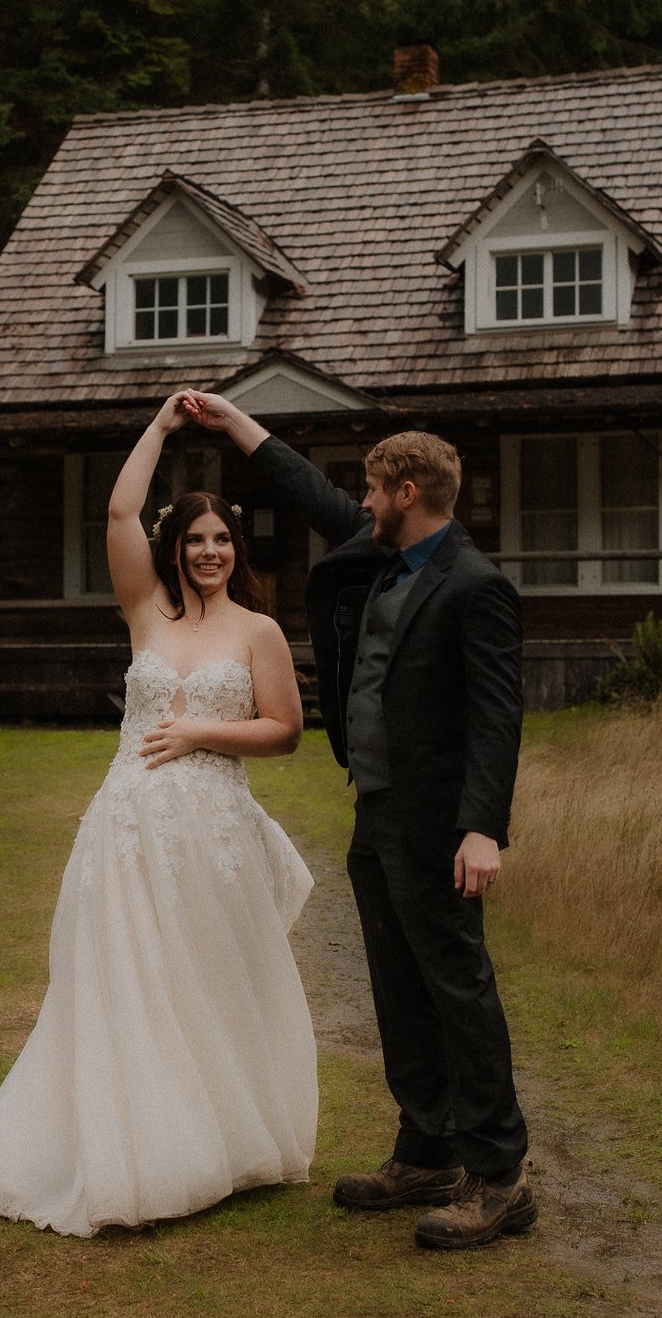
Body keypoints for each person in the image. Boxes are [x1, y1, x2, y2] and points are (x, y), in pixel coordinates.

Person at [0, 393, 318, 1236]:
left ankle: (222, 1136)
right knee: (124, 982)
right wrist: (165, 425)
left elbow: (285, 730)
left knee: (208, 981)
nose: (209, 551)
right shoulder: (146, 609)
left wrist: (200, 730)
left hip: (213, 833)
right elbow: (118, 506)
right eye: (194, 539)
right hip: (128, 827)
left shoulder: (259, 631)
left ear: (234, 549)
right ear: (173, 548)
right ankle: (131, 1146)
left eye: (221, 540)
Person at [182, 392, 535, 1250]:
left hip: (439, 822)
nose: (362, 503)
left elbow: (497, 714)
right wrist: (240, 428)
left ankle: (499, 1176)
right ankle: (427, 1150)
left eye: (373, 490)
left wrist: (482, 827)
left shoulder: (475, 585)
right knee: (398, 984)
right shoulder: (388, 560)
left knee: (457, 985)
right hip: (377, 809)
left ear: (406, 490)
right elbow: (315, 497)